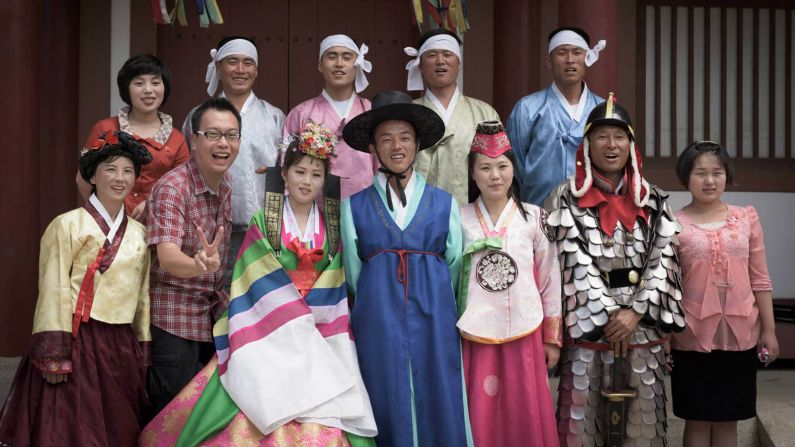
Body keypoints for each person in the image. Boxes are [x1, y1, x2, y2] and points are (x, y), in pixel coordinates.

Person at [139, 121, 378, 446]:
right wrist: (290, 319)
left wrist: (308, 324)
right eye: (300, 172)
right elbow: (251, 276)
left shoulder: (331, 226)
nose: (307, 181)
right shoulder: (263, 221)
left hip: (317, 329)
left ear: (325, 180)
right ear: (284, 174)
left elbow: (334, 283)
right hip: (268, 327)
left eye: (316, 174)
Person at [545, 93, 686, 447]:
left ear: (632, 145)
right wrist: (610, 314)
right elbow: (569, 259)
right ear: (587, 144)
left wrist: (634, 313)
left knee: (644, 429)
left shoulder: (654, 199)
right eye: (602, 136)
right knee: (580, 426)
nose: (611, 145)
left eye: (619, 136)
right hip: (587, 335)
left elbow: (664, 257)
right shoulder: (562, 198)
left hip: (643, 334)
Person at [0, 131, 152, 446]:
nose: (119, 178)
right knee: (72, 428)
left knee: (119, 428)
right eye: (110, 169)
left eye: (127, 171)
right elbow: (53, 289)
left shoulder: (139, 234)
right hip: (76, 340)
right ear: (92, 175)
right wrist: (54, 353)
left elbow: (142, 297)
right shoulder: (66, 225)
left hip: (120, 344)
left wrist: (142, 345)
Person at [341, 90, 470, 446]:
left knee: (439, 393)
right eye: (386, 139)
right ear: (372, 149)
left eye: (405, 138)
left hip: (435, 316)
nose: (397, 147)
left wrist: (437, 303)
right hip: (377, 318)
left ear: (417, 145)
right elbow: (353, 274)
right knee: (383, 394)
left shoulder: (444, 204)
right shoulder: (354, 208)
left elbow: (456, 265)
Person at [457, 121, 561, 447]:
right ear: (473, 174)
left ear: (514, 170)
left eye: (502, 166)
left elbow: (549, 279)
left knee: (524, 407)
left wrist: (552, 337)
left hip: (525, 330)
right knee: (480, 408)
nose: (495, 175)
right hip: (475, 330)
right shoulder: (457, 219)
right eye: (485, 168)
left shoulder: (534, 217)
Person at [670, 141, 779, 447]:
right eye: (700, 172)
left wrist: (769, 330)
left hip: (740, 335)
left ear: (726, 175)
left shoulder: (746, 218)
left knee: (728, 419)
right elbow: (668, 287)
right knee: (697, 419)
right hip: (690, 335)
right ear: (685, 177)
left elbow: (760, 279)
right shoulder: (674, 225)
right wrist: (664, 339)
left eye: (716, 172)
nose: (709, 180)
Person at [145, 98, 239, 418]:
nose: (223, 143)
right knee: (171, 419)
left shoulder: (226, 184)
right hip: (173, 319)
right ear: (194, 140)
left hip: (210, 316)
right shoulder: (173, 187)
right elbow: (168, 257)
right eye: (213, 134)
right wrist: (197, 264)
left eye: (232, 135)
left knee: (206, 419)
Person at [183, 36, 286, 291]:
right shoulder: (198, 116)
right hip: (210, 229)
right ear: (218, 67)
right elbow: (186, 168)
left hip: (264, 229)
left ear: (257, 70)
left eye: (247, 63)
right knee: (216, 301)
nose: (240, 70)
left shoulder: (274, 117)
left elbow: (287, 172)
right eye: (232, 62)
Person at [76, 54, 190, 222]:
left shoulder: (177, 139)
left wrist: (152, 204)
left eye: (155, 82)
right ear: (126, 88)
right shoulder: (105, 129)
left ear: (164, 87)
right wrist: (106, 214)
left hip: (157, 226)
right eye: (139, 83)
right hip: (108, 224)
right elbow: (83, 178)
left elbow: (183, 188)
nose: (148, 90)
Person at [507, 27, 606, 206]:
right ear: (548, 61)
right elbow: (515, 164)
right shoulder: (527, 108)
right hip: (537, 213)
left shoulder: (603, 109)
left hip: (593, 217)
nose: (570, 60)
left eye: (577, 53)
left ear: (587, 59)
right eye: (562, 53)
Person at [405, 28, 499, 206]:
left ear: (459, 63)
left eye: (447, 54)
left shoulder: (484, 113)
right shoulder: (409, 113)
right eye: (431, 55)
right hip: (417, 212)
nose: (440, 61)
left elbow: (497, 168)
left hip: (471, 211)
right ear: (421, 65)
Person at [283, 34, 378, 199]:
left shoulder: (371, 111)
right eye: (331, 56)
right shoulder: (301, 113)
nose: (339, 64)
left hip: (365, 207)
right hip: (313, 210)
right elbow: (287, 163)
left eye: (347, 57)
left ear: (357, 64)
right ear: (320, 65)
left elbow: (381, 165)